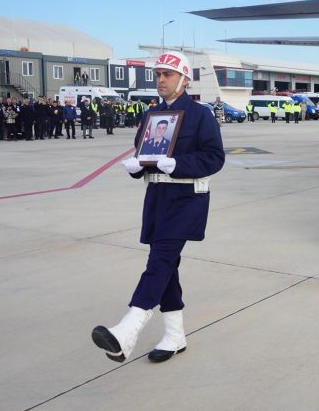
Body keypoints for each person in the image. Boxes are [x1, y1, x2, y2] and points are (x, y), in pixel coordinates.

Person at [92, 51, 224, 364]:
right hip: (156, 200)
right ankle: (175, 335)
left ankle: (128, 330)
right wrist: (136, 166)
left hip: (186, 200)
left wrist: (178, 163)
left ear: (184, 78)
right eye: (158, 75)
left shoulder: (200, 114)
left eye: (167, 74)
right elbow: (144, 153)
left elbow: (214, 157)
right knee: (167, 267)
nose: (161, 80)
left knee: (159, 262)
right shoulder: (151, 116)